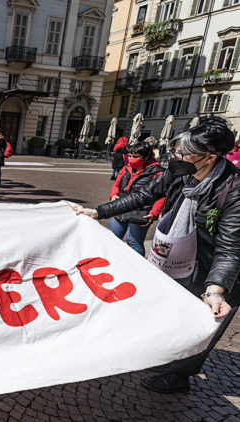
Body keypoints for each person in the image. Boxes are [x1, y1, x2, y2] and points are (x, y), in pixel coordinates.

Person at [78, 116, 240, 394]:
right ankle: (167, 359)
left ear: (209, 158)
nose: (176, 156)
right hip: (177, 259)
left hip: (217, 271)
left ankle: (178, 376)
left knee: (202, 324)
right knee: (174, 314)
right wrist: (99, 212)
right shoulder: (180, 172)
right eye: (176, 150)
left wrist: (215, 290)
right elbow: (144, 195)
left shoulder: (234, 191)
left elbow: (230, 248)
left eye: (183, 153)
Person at [107, 141, 165, 255]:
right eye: (130, 156)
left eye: (136, 156)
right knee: (111, 238)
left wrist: (154, 213)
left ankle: (137, 269)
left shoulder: (157, 172)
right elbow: (117, 185)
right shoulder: (126, 168)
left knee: (134, 242)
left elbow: (161, 195)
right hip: (120, 208)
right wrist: (113, 195)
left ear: (146, 157)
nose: (131, 159)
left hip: (141, 212)